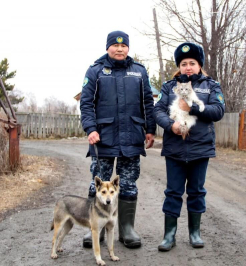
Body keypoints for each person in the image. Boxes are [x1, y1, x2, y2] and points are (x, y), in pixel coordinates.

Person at [80, 30, 156, 249]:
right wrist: (90, 129)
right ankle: (95, 229)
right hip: (102, 137)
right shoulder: (95, 70)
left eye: (124, 46)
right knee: (98, 183)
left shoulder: (139, 72)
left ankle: (127, 230)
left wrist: (150, 129)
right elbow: (86, 103)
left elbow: (147, 104)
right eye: (115, 46)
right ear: (108, 48)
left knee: (129, 183)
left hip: (132, 136)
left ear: (128, 48)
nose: (120, 49)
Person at [153, 42, 225, 251]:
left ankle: (195, 233)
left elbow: (218, 110)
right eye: (184, 63)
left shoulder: (211, 85)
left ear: (199, 65)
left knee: (196, 191)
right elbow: (158, 111)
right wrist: (170, 124)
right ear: (179, 66)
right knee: (173, 192)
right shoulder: (169, 86)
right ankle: (169, 235)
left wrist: (193, 108)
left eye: (192, 63)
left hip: (200, 149)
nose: (188, 67)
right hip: (175, 149)